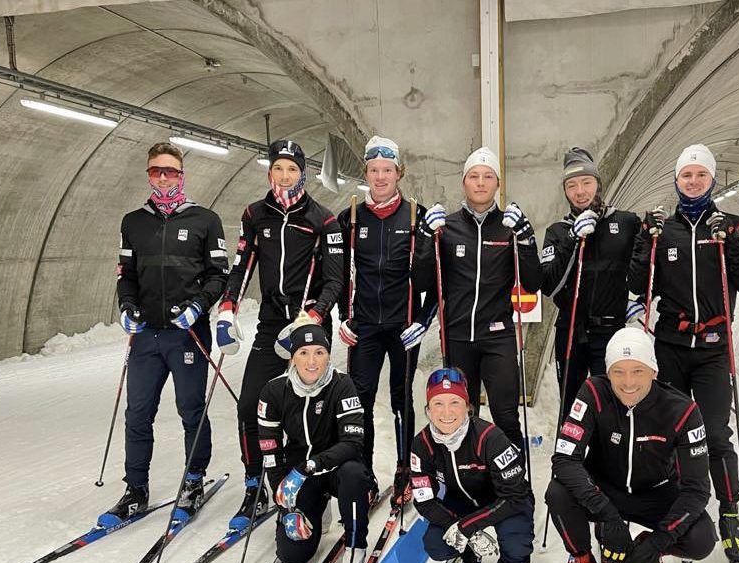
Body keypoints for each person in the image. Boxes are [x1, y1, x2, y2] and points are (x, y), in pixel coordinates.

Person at [628, 144, 739, 561]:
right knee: (668, 430)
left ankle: (728, 509)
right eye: (686, 175)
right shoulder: (662, 229)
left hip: (712, 349)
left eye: (700, 175)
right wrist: (643, 242)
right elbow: (637, 283)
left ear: (712, 179)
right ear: (676, 181)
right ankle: (676, 502)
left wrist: (733, 246)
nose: (692, 181)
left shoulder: (735, 226)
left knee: (715, 432)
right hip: (669, 345)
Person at [215, 139, 344, 529]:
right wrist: (227, 308)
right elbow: (242, 265)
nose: (284, 176)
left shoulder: (323, 219)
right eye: (278, 168)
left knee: (314, 411)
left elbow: (335, 280)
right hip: (273, 323)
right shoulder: (256, 214)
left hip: (309, 328)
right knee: (250, 406)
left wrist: (312, 316)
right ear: (269, 172)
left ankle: (319, 481)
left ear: (302, 172)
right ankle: (255, 483)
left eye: (291, 169)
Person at [545, 327, 715, 563]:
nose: (628, 382)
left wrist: (659, 541)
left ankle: (643, 549)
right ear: (607, 373)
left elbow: (697, 490)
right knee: (557, 493)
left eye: (638, 371)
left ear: (653, 371)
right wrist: (606, 514)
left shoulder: (684, 412)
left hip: (656, 492)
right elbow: (564, 459)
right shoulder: (593, 392)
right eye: (618, 372)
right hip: (604, 489)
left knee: (701, 539)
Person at [102, 141, 228, 525]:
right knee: (138, 413)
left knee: (191, 410)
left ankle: (193, 480)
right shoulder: (133, 221)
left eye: (169, 171)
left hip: (185, 334)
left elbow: (219, 275)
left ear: (181, 175)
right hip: (146, 336)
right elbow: (126, 276)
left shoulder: (205, 220)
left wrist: (198, 306)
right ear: (148, 174)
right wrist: (127, 307)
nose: (162, 177)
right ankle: (135, 488)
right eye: (155, 171)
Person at [422, 147, 541, 453]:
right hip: (458, 334)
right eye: (474, 176)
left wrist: (526, 241)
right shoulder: (447, 228)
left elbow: (533, 282)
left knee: (505, 414)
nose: (480, 183)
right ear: (464, 182)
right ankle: (471, 475)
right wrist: (425, 240)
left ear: (497, 184)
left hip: (498, 335)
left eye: (488, 176)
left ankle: (514, 479)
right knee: (463, 414)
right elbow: (421, 280)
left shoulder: (508, 227)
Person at [335, 136, 433, 496]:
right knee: (359, 399)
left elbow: (437, 277)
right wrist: (342, 317)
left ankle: (405, 467)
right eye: (374, 170)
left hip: (402, 324)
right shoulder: (350, 217)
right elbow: (339, 272)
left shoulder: (415, 215)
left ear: (399, 173)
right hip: (365, 327)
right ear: (366, 172)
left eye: (387, 170)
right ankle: (364, 471)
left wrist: (422, 320)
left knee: (400, 396)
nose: (380, 177)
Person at [257, 322, 377, 563]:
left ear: (328, 354)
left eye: (319, 352)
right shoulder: (274, 391)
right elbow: (270, 452)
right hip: (301, 476)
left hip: (335, 469)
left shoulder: (342, 384)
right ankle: (315, 509)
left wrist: (310, 466)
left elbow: (353, 442)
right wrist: (285, 505)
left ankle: (356, 546)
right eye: (303, 353)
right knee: (293, 557)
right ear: (292, 357)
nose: (312, 361)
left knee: (354, 473)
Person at [409, 367, 535, 563]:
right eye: (438, 404)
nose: (446, 412)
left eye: (455, 402)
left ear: (468, 406)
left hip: (504, 503)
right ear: (427, 410)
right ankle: (468, 552)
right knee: (435, 545)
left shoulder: (490, 437)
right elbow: (423, 499)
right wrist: (457, 527)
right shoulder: (421, 444)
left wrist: (468, 527)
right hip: (461, 505)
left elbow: (515, 495)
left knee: (518, 547)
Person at [540, 147, 642, 409]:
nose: (580, 191)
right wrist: (573, 239)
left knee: (609, 406)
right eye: (572, 185)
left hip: (610, 331)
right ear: (565, 191)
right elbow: (549, 285)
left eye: (586, 182)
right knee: (571, 407)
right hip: (571, 331)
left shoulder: (627, 222)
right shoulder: (558, 231)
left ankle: (607, 452)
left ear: (598, 183)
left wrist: (640, 298)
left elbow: (649, 269)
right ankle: (567, 451)